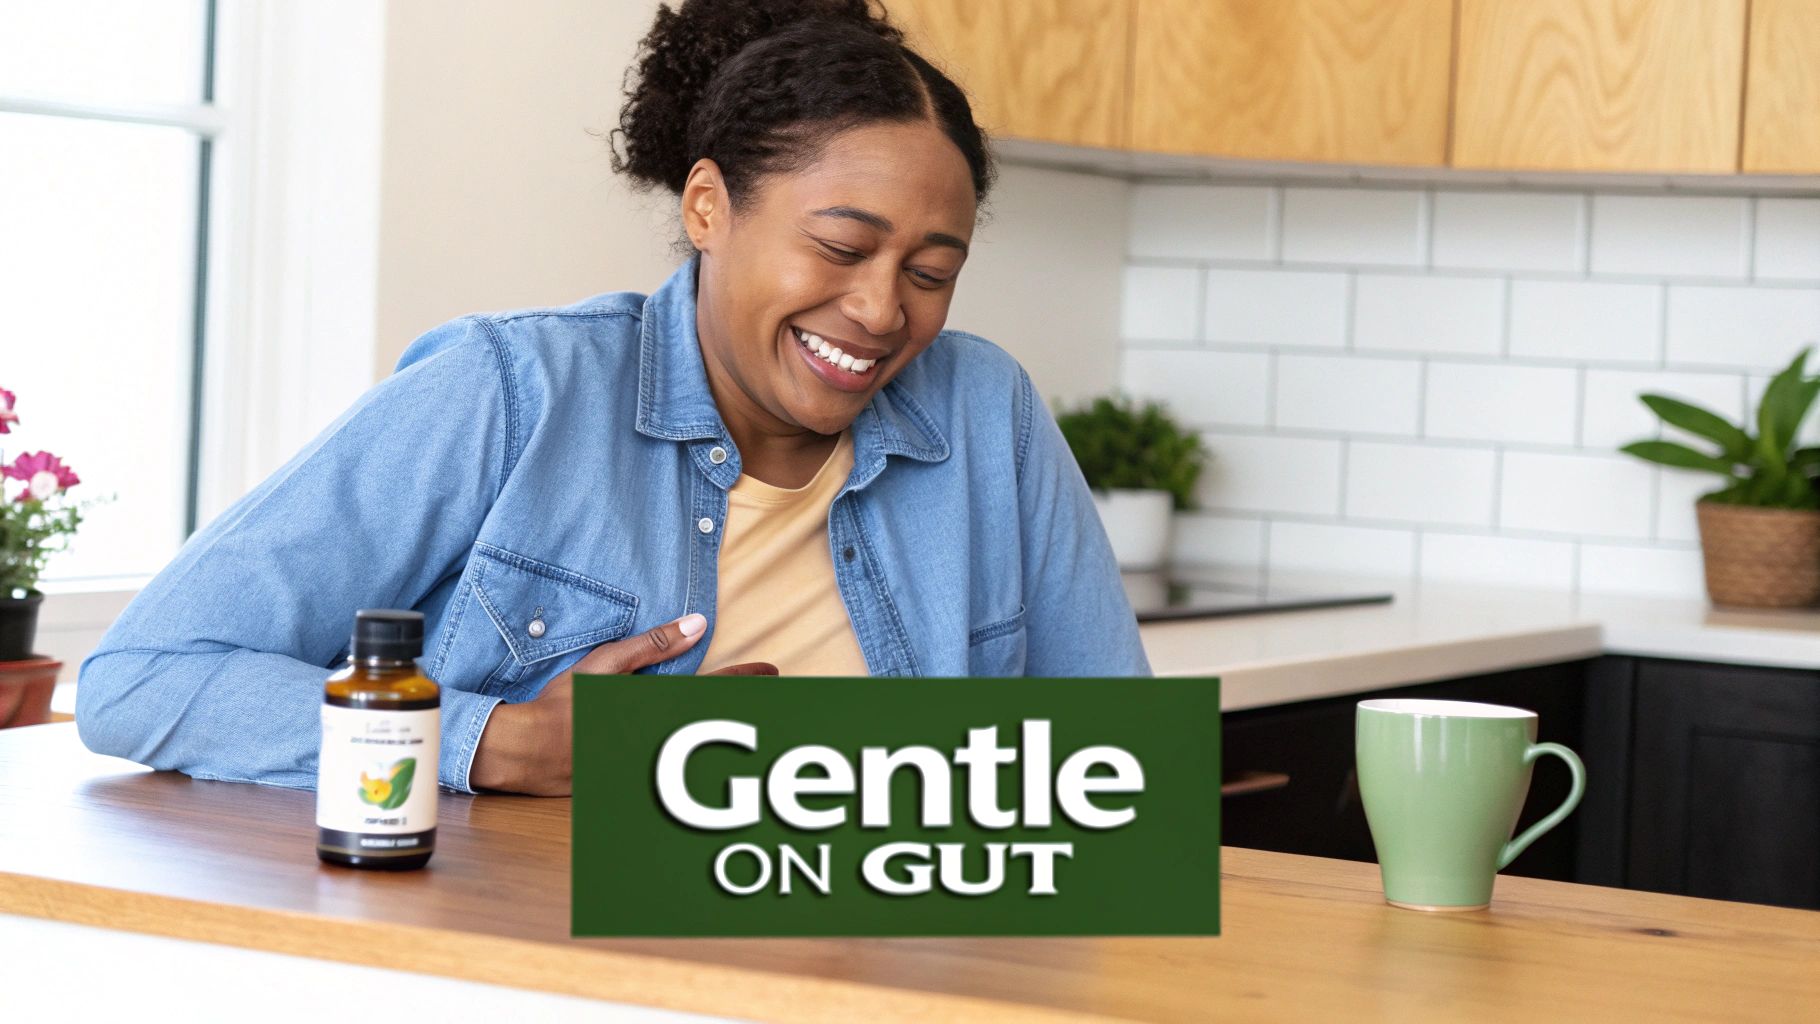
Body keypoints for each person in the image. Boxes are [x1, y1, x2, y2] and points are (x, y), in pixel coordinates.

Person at [77, 0, 1149, 798]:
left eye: (928, 271)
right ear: (706, 206)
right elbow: (146, 677)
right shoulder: (510, 393)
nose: (878, 310)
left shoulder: (984, 416)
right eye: (839, 246)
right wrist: (496, 740)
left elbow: (1117, 766)